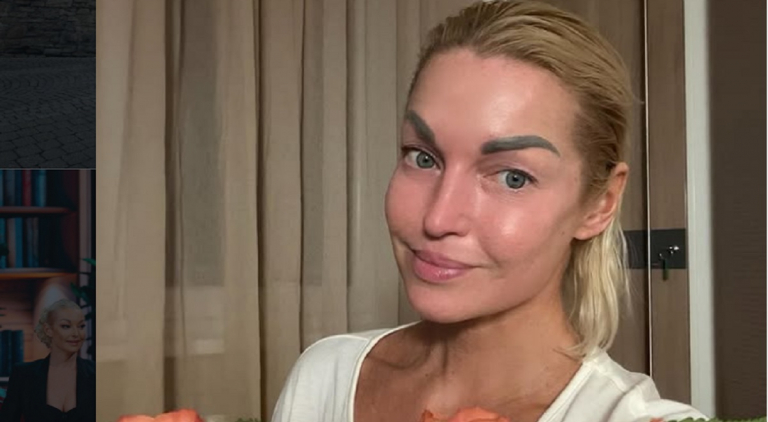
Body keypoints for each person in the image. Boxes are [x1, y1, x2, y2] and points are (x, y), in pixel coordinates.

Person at [271, 1, 707, 421]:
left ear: (600, 204)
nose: (438, 219)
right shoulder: (325, 378)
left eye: (512, 177)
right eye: (423, 157)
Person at [0, 299, 95, 422]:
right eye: (66, 326)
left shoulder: (97, 373)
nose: (76, 333)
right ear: (48, 330)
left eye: (81, 326)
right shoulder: (23, 374)